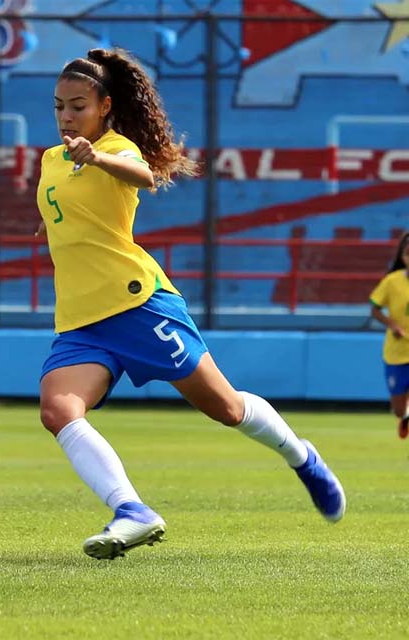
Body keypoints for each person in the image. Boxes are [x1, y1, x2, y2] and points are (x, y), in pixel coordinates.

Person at [34, 48, 345, 560]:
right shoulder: (51, 159)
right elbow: (65, 208)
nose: (67, 116)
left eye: (78, 106)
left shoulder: (117, 148)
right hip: (82, 320)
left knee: (226, 408)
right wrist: (51, 223)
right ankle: (131, 510)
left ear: (105, 106)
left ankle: (302, 457)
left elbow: (143, 178)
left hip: (137, 305)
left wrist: (98, 156)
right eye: (59, 106)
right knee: (57, 409)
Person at [369, 232, 409, 439]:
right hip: (396, 352)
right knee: (399, 410)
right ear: (403, 256)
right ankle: (405, 415)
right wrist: (392, 325)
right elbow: (374, 309)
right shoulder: (392, 282)